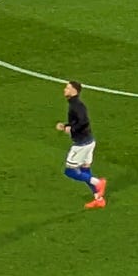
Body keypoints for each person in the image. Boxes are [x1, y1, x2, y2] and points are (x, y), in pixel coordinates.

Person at [56, 81, 106, 209]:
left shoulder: (76, 105)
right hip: (88, 141)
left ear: (74, 91)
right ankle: (99, 199)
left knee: (70, 171)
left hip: (81, 144)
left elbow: (83, 121)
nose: (64, 90)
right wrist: (66, 126)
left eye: (67, 88)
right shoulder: (75, 104)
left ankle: (98, 182)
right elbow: (78, 121)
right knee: (85, 171)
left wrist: (71, 129)